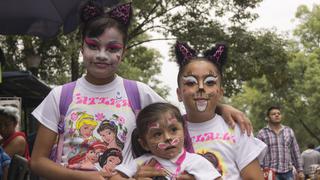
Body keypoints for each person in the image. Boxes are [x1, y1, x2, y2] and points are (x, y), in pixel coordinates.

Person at [30, 1, 252, 180]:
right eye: (93, 45)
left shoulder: (139, 92)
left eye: (113, 48)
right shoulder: (59, 96)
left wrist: (221, 107)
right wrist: (85, 177)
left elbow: (177, 119)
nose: (102, 55)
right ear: (82, 47)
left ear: (124, 52)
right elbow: (37, 162)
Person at [111, 102, 221, 180]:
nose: (168, 137)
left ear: (184, 131)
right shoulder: (143, 163)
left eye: (173, 129)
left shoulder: (196, 162)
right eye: (157, 134)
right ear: (144, 144)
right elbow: (114, 177)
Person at [257, 106, 304, 180]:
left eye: (279, 113)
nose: (277, 115)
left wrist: (300, 170)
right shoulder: (262, 133)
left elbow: (295, 152)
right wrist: (259, 170)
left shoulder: (289, 131)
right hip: (270, 173)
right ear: (268, 118)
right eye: (273, 114)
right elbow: (258, 154)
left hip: (288, 172)